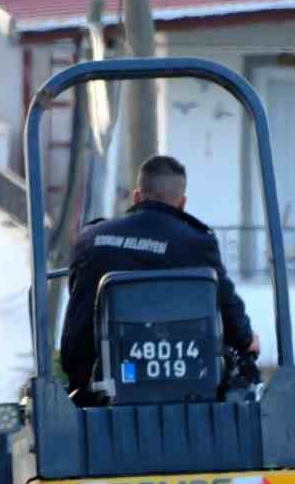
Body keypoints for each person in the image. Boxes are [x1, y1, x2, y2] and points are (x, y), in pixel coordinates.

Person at [60, 154, 259, 398]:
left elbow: (77, 301)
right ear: (182, 203)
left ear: (136, 196)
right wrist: (247, 340)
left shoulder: (90, 238)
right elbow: (228, 308)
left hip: (92, 387)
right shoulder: (196, 243)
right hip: (183, 385)